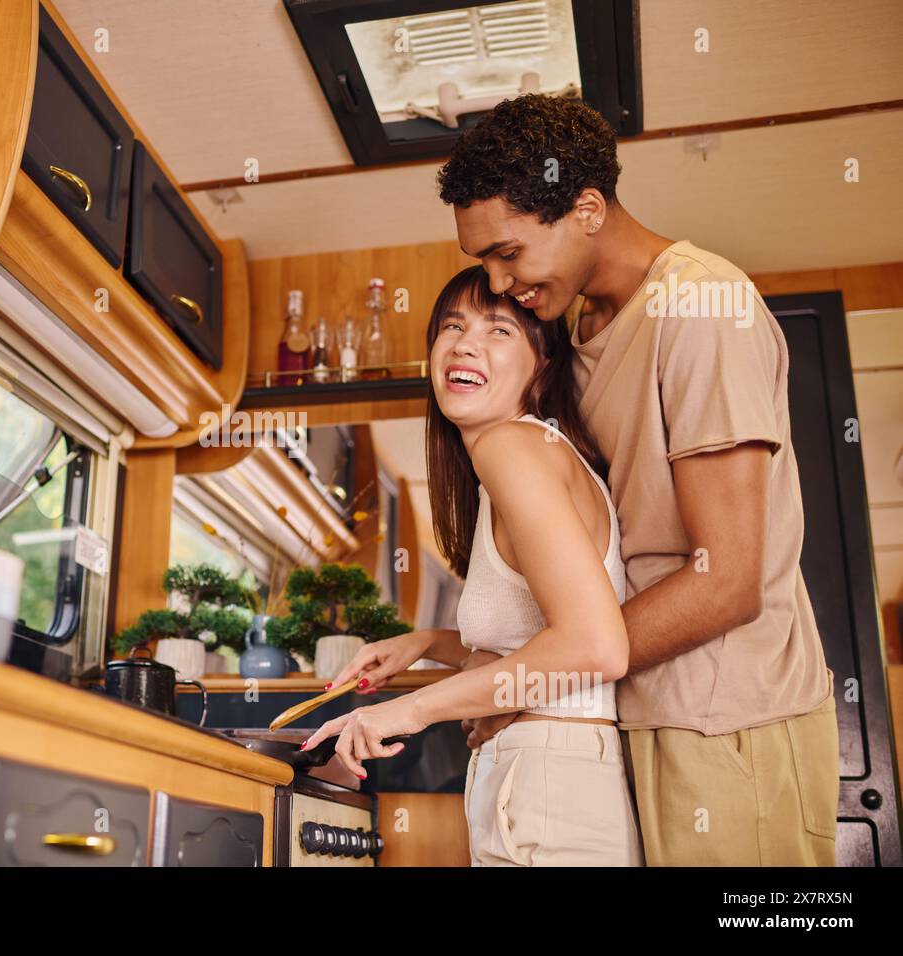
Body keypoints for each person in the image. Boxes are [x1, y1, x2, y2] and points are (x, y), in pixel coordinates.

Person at [326, 93, 838, 867]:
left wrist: (521, 687)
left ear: (588, 208)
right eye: (482, 266)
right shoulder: (583, 332)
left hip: (734, 715)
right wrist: (450, 649)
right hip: (642, 712)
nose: (497, 288)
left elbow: (727, 579)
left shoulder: (701, 308)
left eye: (508, 254)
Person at [302, 264, 643, 866]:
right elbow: (538, 639)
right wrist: (432, 642)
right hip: (550, 778)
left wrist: (410, 708)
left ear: (542, 365)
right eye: (453, 326)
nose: (465, 343)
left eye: (499, 330)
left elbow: (595, 646)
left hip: (548, 782)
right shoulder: (520, 455)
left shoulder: (515, 449)